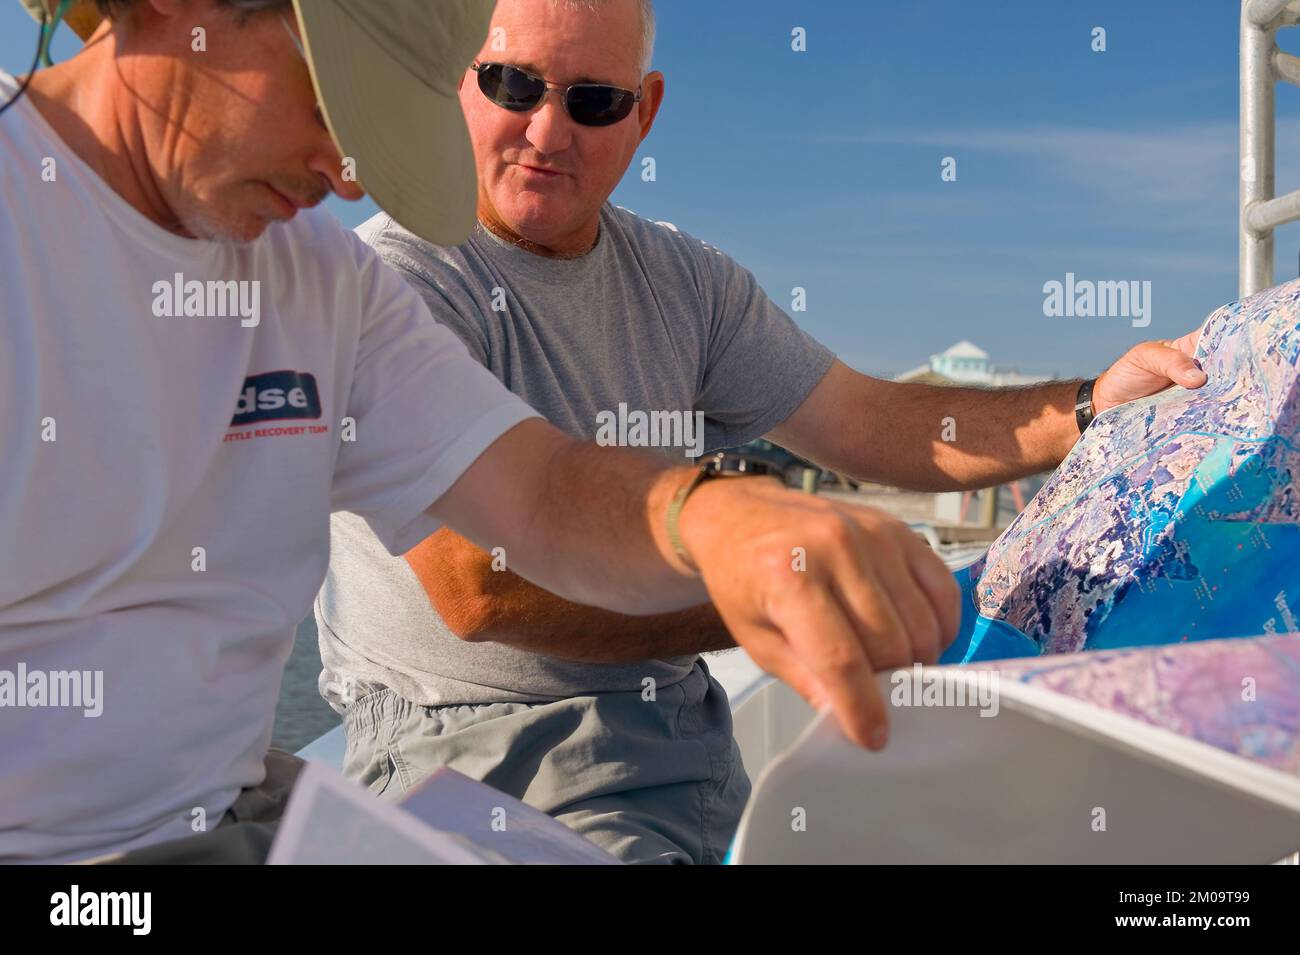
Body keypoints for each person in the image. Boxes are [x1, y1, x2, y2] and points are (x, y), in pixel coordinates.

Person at [0, 0, 977, 864]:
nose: (348, 175)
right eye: (337, 99)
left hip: (237, 808)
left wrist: (713, 518)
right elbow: (478, 587)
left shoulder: (326, 284)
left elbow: (539, 494)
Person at [317, 0, 1211, 864]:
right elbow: (483, 591)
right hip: (481, 750)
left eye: (593, 102)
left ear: (646, 113)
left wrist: (1093, 404)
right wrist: (769, 589)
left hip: (684, 735)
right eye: (514, 85)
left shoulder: (685, 281)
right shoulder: (401, 279)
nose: (549, 132)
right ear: (459, 79)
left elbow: (869, 420)